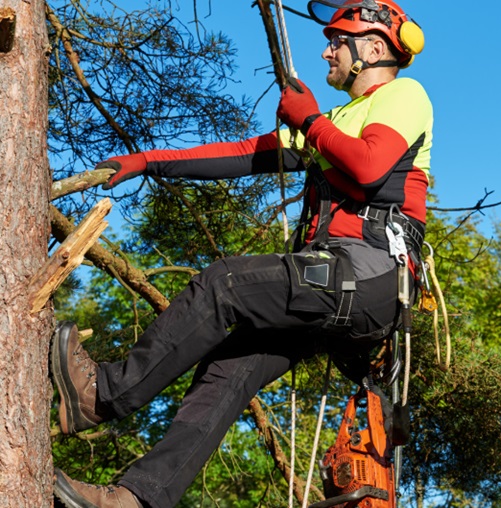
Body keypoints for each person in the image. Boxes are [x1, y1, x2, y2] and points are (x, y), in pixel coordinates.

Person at [50, 1, 431, 507]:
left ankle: (101, 394)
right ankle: (137, 498)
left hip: (368, 275)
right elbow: (245, 155)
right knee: (229, 368)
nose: (326, 51)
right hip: (338, 281)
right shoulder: (338, 120)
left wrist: (311, 120)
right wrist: (148, 161)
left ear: (376, 48)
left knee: (223, 284)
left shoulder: (404, 95)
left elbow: (367, 168)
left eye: (338, 41)